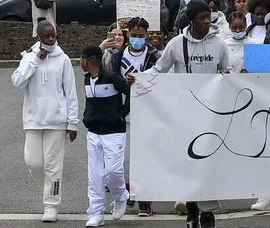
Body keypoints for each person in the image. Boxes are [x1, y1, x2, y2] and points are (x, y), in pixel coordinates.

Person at [140, 0, 229, 228]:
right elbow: (160, 69)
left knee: (208, 165)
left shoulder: (219, 45)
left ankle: (207, 213)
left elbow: (226, 74)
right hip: (185, 114)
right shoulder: (177, 44)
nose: (207, 21)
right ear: (191, 20)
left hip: (211, 115)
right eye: (201, 18)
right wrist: (138, 79)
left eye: (208, 17)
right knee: (189, 163)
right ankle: (192, 211)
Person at [11, 18, 79, 223]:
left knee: (53, 166)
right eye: (46, 36)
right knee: (34, 163)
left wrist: (72, 122)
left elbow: (71, 92)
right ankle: (48, 190)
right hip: (33, 119)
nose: (50, 39)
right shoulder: (29, 57)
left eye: (53, 35)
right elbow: (17, 81)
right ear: (38, 37)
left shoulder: (63, 59)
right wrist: (34, 60)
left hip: (57, 121)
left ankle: (51, 205)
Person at [108, 17, 161, 216]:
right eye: (133, 36)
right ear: (127, 34)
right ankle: (126, 195)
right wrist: (125, 83)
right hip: (125, 112)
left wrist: (142, 80)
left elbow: (161, 78)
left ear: (147, 35)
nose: (137, 39)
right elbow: (112, 78)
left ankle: (145, 201)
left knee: (144, 158)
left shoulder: (155, 56)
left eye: (141, 36)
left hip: (148, 112)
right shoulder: (117, 56)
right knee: (124, 159)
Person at [80, 45, 131, 227]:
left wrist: (121, 115)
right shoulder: (87, 80)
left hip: (114, 132)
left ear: (88, 60)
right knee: (95, 175)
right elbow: (90, 103)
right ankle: (96, 212)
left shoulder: (112, 78)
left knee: (112, 172)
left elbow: (131, 91)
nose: (80, 63)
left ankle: (121, 196)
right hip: (93, 133)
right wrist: (87, 117)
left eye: (82, 59)